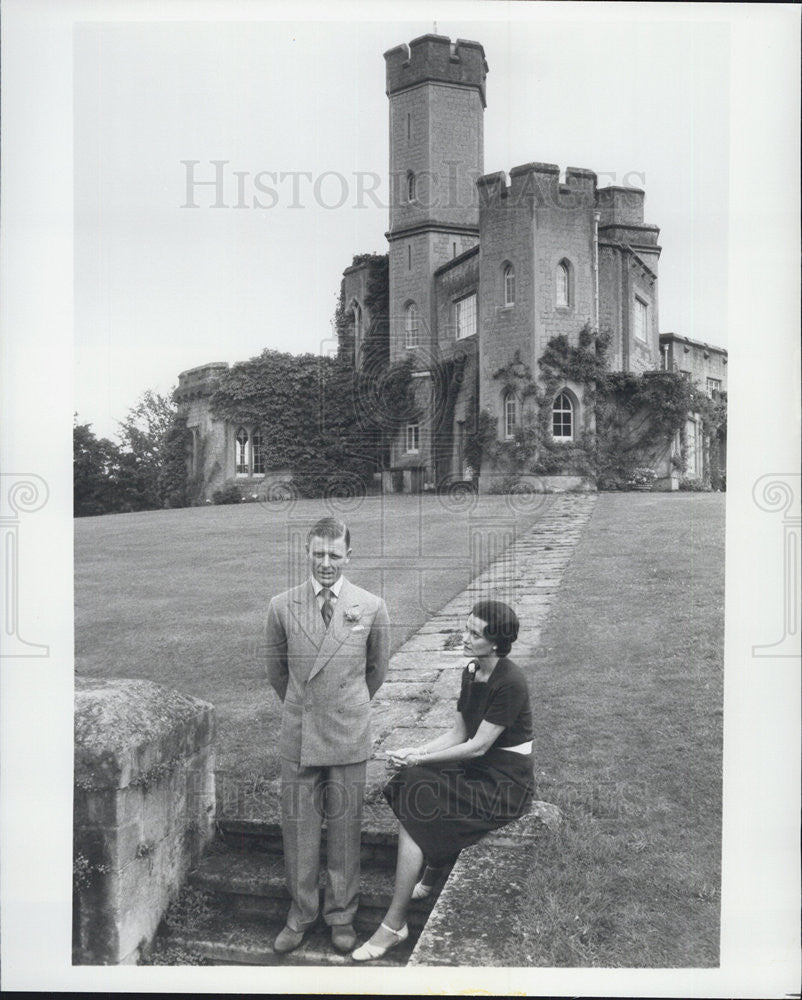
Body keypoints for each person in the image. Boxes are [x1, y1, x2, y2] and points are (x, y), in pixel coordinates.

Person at [351, 598, 533, 962]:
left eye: (474, 633)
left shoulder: (510, 681)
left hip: (503, 786)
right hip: (477, 771)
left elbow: (478, 747)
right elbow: (458, 733)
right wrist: (414, 750)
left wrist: (421, 758)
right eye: (466, 628)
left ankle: (394, 924)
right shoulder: (471, 669)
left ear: (495, 643)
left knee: (418, 789)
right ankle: (430, 872)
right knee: (411, 778)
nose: (464, 637)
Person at [265, 516, 390, 955]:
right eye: (317, 553)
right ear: (306, 553)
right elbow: (276, 672)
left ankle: (342, 916)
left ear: (348, 556)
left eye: (334, 554)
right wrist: (305, 706)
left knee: (344, 829)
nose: (325, 563)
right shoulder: (282, 606)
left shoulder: (371, 606)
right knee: (298, 829)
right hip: (299, 732)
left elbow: (376, 671)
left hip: (348, 732)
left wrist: (345, 705)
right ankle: (300, 916)